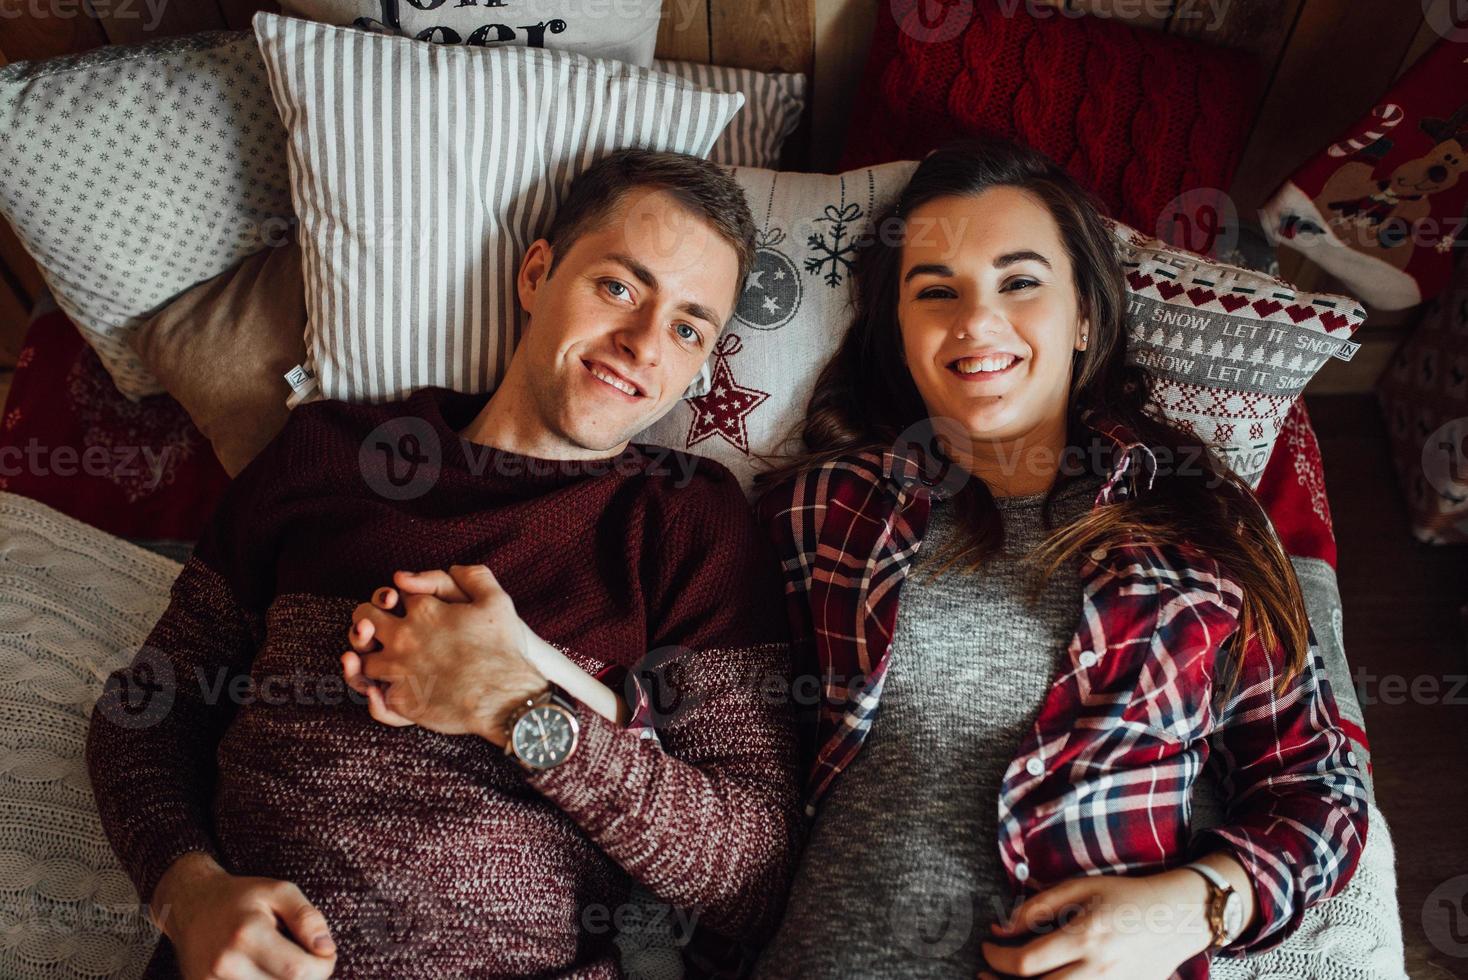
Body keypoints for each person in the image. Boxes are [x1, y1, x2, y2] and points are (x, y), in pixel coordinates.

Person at [85, 148, 801, 979]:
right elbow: (150, 707)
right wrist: (188, 894)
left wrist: (518, 711)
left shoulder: (686, 518)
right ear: (537, 275)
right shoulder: (332, 454)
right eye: (618, 287)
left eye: (687, 327)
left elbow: (753, 874)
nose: (644, 345)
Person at [750, 138, 1369, 980]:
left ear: (1084, 315)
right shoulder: (821, 507)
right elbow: (725, 746)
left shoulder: (1196, 511)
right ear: (897, 333)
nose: (975, 321)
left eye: (1019, 282)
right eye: (936, 292)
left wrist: (1195, 906)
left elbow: (1317, 786)